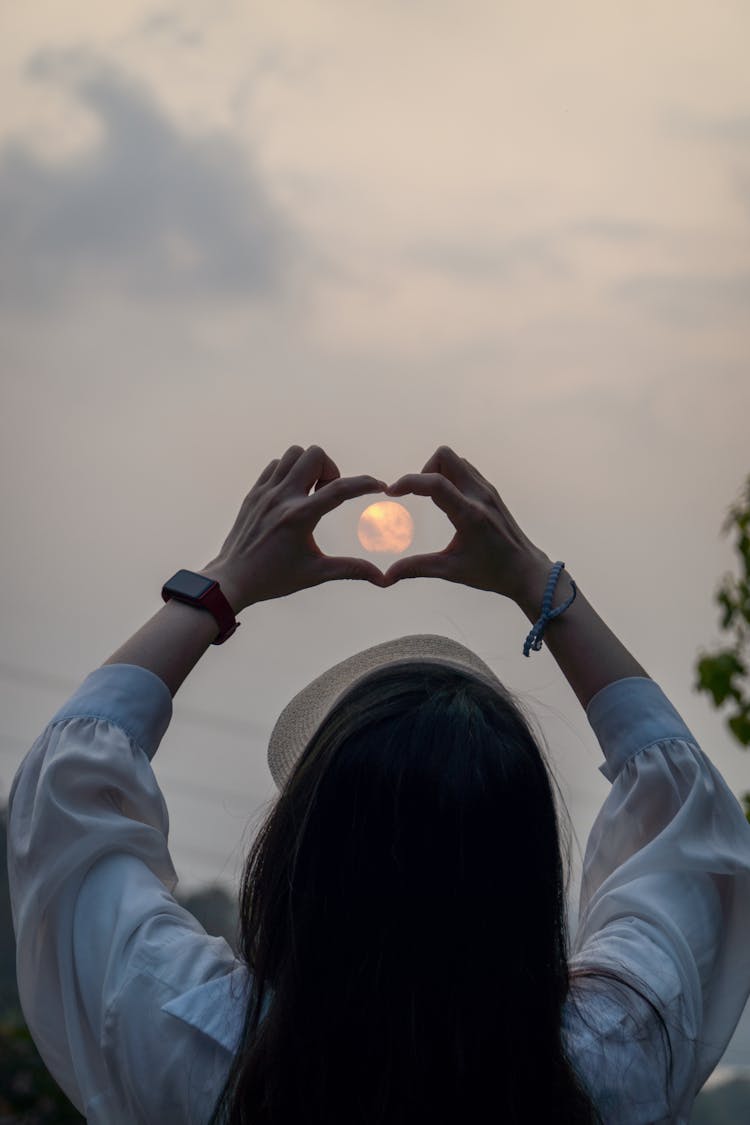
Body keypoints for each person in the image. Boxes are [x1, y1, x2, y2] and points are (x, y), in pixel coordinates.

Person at [6, 443, 750, 1124]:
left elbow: (65, 796)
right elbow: (688, 816)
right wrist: (536, 581)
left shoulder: (197, 1046)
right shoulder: (613, 1060)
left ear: (299, 857)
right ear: (523, 870)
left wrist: (222, 584)